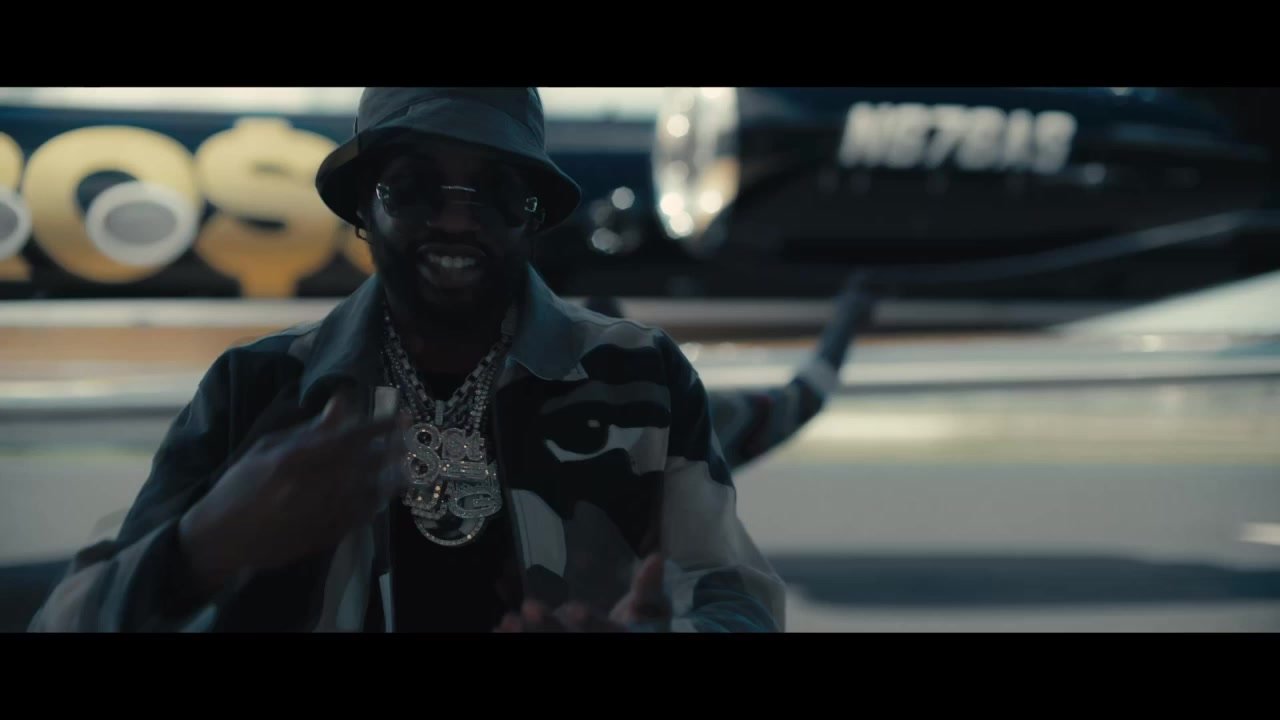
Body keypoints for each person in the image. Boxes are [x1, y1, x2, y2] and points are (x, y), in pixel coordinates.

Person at [28, 87, 785, 633]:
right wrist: (202, 548)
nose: (455, 218)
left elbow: (738, 601)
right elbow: (64, 620)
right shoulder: (259, 388)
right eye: (414, 189)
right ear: (364, 205)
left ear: (532, 216)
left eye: (496, 192)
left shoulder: (639, 376)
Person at [584, 272, 869, 469]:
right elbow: (803, 399)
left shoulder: (692, 425)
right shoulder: (690, 427)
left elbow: (801, 401)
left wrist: (847, 319)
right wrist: (847, 318)